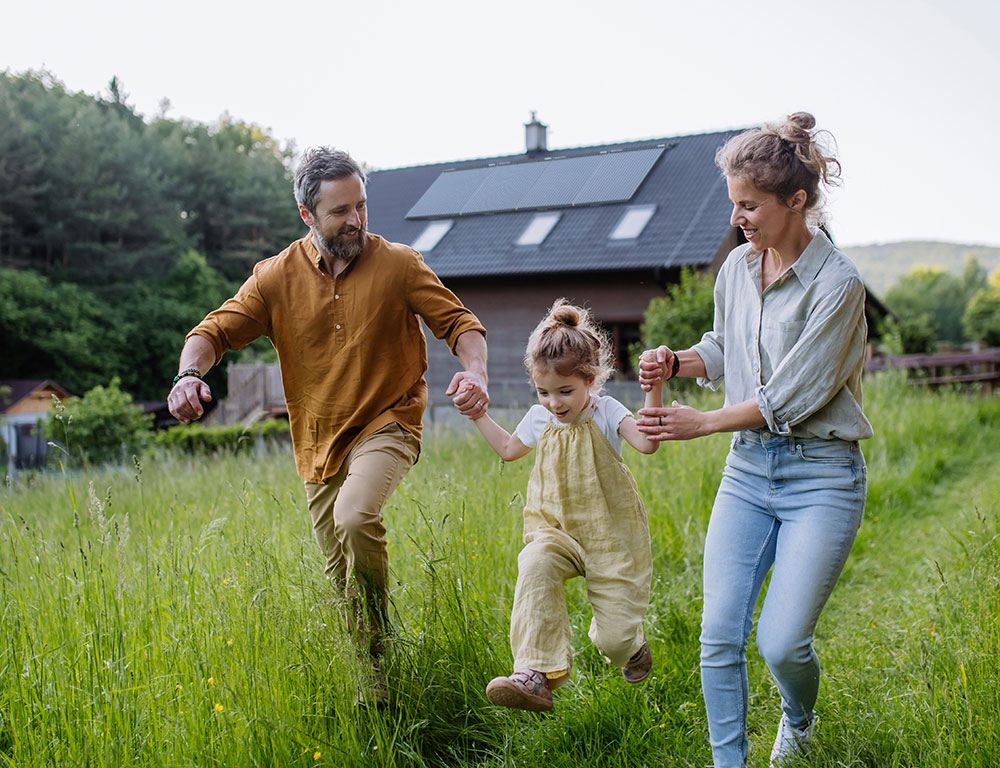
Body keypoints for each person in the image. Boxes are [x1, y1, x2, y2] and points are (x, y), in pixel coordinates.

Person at [167, 147, 489, 703]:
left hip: (389, 422)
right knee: (341, 578)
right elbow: (212, 331)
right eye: (340, 211)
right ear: (306, 215)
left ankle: (379, 648)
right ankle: (376, 678)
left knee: (356, 514)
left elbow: (460, 323)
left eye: (361, 206)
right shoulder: (274, 279)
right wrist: (187, 376)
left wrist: (475, 372)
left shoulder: (399, 264)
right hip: (318, 442)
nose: (356, 220)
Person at [637, 112, 872, 768]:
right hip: (748, 471)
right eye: (734, 204)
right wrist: (677, 360)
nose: (738, 218)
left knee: (781, 643)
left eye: (750, 205)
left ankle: (799, 719)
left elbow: (793, 394)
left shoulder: (839, 285)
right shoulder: (737, 269)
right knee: (717, 636)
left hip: (822, 475)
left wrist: (702, 422)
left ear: (796, 202)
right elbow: (724, 347)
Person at [460, 299, 661, 712]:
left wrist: (654, 386)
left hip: (610, 536)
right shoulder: (539, 418)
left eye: (565, 391)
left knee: (615, 642)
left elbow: (647, 442)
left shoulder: (606, 412)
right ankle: (534, 674)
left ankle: (631, 648)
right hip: (555, 532)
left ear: (591, 380)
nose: (554, 402)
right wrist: (478, 413)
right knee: (534, 563)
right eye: (544, 392)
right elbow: (507, 449)